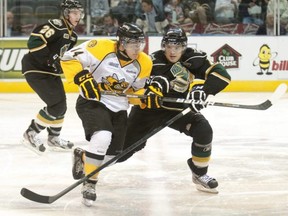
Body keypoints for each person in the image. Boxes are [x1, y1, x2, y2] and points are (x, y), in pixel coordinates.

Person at [118, 27, 231, 193]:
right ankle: (88, 161)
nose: (172, 51)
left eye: (177, 47)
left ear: (184, 47)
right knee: (122, 152)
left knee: (204, 130)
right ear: (163, 46)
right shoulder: (152, 61)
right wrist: (148, 90)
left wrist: (202, 91)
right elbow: (136, 87)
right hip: (148, 112)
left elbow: (221, 74)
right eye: (169, 47)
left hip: (178, 110)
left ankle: (199, 174)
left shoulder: (192, 58)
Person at [61, 23, 160, 206]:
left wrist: (146, 98)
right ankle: (89, 184)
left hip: (119, 109)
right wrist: (82, 77)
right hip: (93, 102)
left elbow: (134, 93)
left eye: (139, 43)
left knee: (113, 157)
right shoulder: (99, 47)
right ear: (121, 42)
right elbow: (68, 58)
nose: (137, 48)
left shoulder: (144, 62)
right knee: (102, 137)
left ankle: (84, 157)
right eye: (132, 43)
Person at [21, 0, 84, 154]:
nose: (78, 16)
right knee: (55, 105)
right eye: (74, 12)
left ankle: (54, 137)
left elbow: (61, 57)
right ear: (65, 14)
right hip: (36, 69)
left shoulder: (73, 36)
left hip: (50, 72)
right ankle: (31, 133)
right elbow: (34, 40)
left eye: (79, 13)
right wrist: (48, 60)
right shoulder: (56, 25)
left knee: (61, 106)